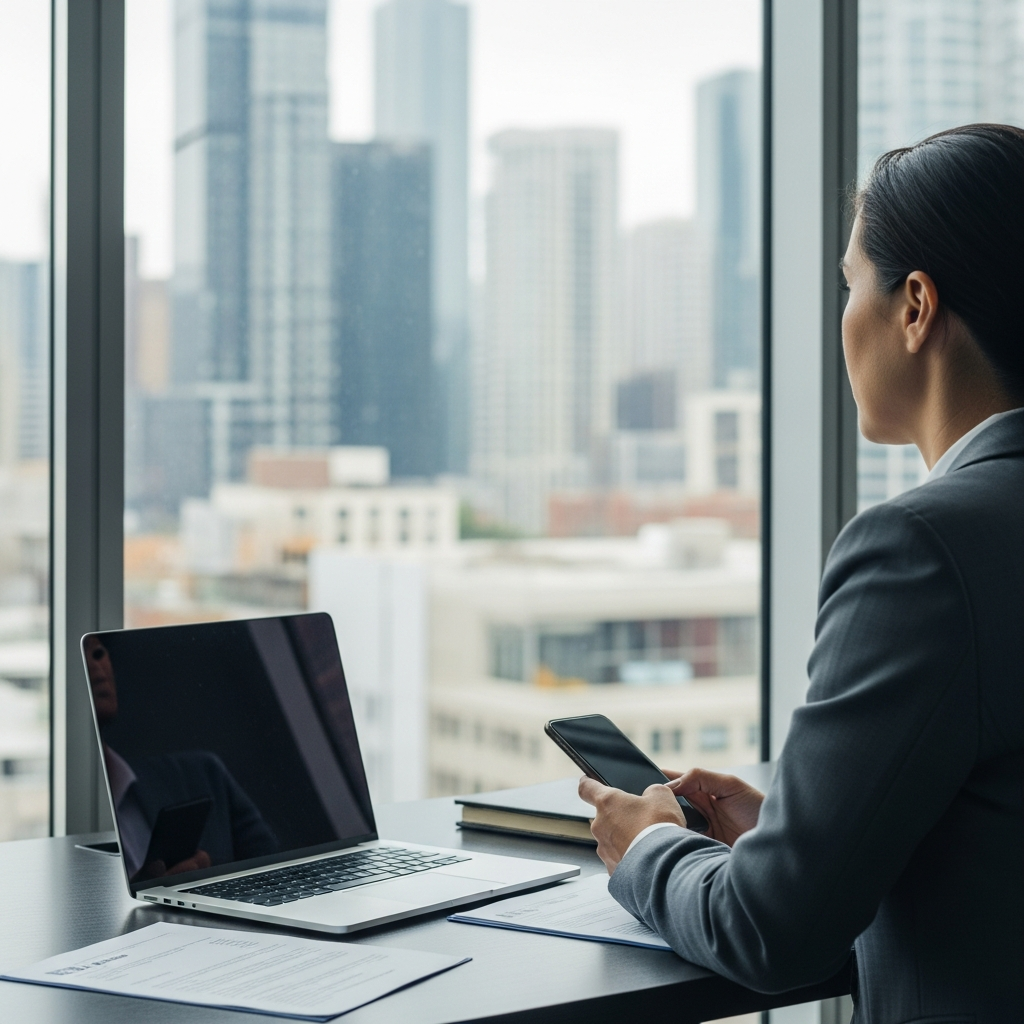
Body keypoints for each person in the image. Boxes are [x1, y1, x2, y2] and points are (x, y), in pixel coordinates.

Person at [579, 123, 1024, 1022]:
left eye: (850, 282)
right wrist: (803, 828)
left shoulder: (923, 550)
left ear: (915, 307)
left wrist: (652, 849)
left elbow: (769, 932)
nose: (843, 316)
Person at [85, 636, 278, 879]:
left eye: (98, 652)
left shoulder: (204, 775)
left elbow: (274, 870)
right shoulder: (71, 817)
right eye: (83, 655)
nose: (94, 664)